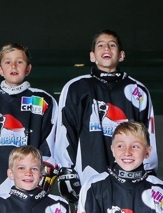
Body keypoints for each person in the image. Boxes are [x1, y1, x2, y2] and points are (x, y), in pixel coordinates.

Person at [55, 30, 157, 204]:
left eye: (112, 45)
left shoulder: (138, 90)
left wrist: (149, 170)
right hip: (87, 173)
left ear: (121, 55)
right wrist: (65, 170)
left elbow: (148, 135)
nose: (106, 48)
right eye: (100, 45)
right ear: (92, 56)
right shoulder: (76, 87)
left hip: (130, 176)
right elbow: (66, 130)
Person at [0, 43, 59, 198]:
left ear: (28, 68)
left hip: (30, 182)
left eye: (20, 62)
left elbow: (51, 145)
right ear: (0, 69)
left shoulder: (42, 100)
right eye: (8, 62)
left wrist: (44, 177)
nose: (14, 66)